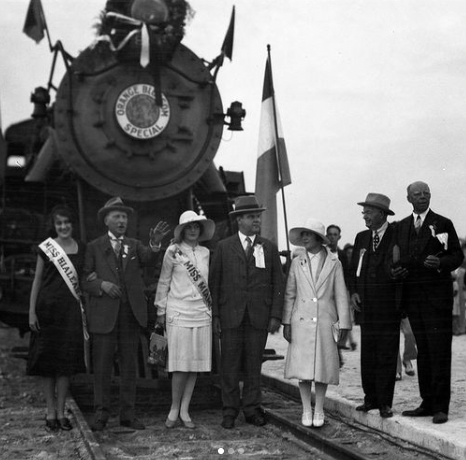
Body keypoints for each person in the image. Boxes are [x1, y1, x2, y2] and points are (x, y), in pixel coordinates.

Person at [82, 197, 170, 431]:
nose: (122, 221)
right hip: (104, 317)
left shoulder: (134, 244)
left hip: (129, 315)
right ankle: (101, 414)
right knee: (102, 367)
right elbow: (84, 279)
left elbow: (149, 259)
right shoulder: (94, 247)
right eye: (117, 216)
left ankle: (127, 415)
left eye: (124, 217)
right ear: (106, 220)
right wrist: (101, 285)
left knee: (129, 366)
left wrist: (155, 243)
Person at [210, 195, 284, 429]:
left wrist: (275, 315)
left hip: (258, 317)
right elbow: (214, 283)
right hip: (230, 316)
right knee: (229, 365)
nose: (256, 220)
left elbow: (278, 284)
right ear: (239, 220)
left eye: (258, 216)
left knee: (253, 365)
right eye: (251, 217)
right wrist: (216, 315)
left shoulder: (268, 247)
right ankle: (229, 410)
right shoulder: (224, 247)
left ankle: (252, 409)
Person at [393, 181, 463, 424]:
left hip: (437, 300)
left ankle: (441, 407)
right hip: (413, 299)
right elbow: (396, 257)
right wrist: (397, 270)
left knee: (439, 351)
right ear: (409, 199)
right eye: (417, 194)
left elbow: (457, 255)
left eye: (426, 193)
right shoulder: (401, 226)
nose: (422, 197)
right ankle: (427, 402)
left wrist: (441, 263)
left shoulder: (443, 223)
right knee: (423, 351)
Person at [283, 218, 351, 428]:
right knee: (303, 369)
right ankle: (306, 409)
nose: (304, 238)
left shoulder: (334, 262)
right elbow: (290, 293)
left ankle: (319, 408)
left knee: (322, 367)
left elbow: (340, 294)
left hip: (325, 320)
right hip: (301, 320)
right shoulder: (297, 262)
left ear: (318, 238)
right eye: (302, 234)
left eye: (308, 234)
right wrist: (287, 322)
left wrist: (344, 323)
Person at [27, 205, 86, 432]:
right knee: (47, 363)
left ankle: (62, 412)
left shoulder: (82, 247)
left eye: (66, 222)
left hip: (70, 313)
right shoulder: (46, 248)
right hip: (47, 311)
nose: (63, 226)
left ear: (72, 223)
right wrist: (32, 311)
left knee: (65, 364)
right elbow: (37, 280)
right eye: (59, 223)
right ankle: (50, 411)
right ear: (54, 225)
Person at [155, 210, 215, 429]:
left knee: (194, 364)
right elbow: (164, 281)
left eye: (196, 226)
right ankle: (173, 408)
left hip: (201, 311)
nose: (193, 230)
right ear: (182, 230)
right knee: (180, 364)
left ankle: (185, 409)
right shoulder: (173, 251)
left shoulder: (206, 253)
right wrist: (161, 311)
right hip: (178, 311)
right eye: (189, 227)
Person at [349, 193, 401, 418]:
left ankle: (384, 402)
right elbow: (352, 270)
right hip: (366, 307)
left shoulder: (397, 235)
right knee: (368, 354)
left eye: (368, 212)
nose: (365, 216)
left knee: (387, 354)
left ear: (381, 213)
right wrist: (353, 292)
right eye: (364, 212)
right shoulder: (361, 238)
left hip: (389, 308)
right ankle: (370, 398)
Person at [326, 225, 357, 363]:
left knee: (340, 323)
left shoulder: (342, 255)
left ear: (339, 237)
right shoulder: (322, 253)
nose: (332, 237)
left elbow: (348, 273)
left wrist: (348, 291)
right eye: (330, 234)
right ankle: (334, 353)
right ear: (326, 236)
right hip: (324, 294)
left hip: (339, 293)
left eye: (335, 234)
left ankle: (337, 349)